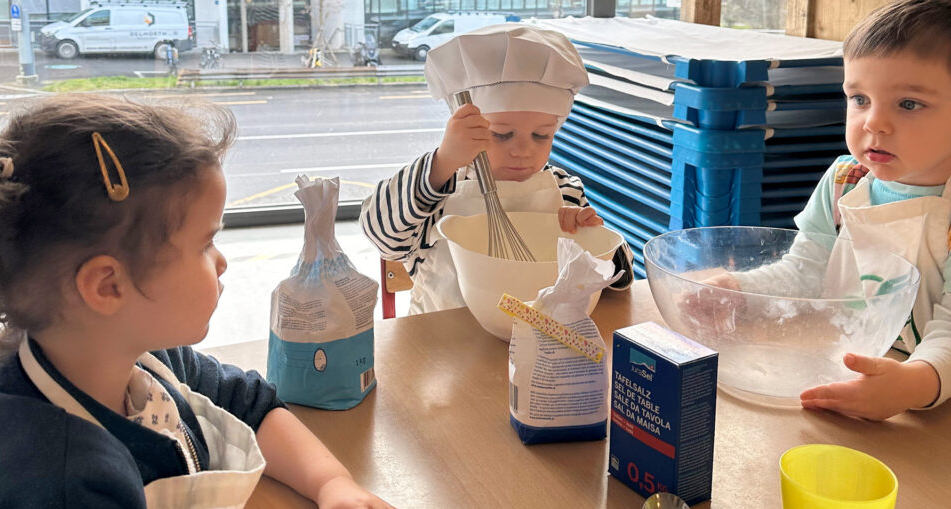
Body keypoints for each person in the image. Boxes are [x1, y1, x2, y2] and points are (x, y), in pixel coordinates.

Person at [0, 95, 416, 509]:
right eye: (205, 243)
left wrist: (333, 483)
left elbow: (247, 403)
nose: (222, 261)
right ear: (108, 285)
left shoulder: (122, 353)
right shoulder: (54, 501)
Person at [694, 0, 951, 421]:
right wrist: (737, 290)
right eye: (860, 98)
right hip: (845, 366)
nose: (874, 123)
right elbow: (807, 271)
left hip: (929, 407)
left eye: (908, 104)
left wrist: (915, 385)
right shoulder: (845, 181)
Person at [360, 24, 634, 315]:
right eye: (502, 134)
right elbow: (380, 235)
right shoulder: (438, 190)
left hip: (539, 343)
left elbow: (619, 279)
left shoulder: (565, 191)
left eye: (541, 135)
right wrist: (441, 163)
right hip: (442, 350)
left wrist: (592, 240)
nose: (522, 150)